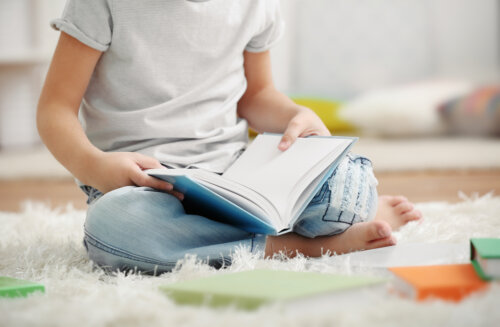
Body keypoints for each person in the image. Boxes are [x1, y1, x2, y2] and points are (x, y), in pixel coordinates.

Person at [37, 0, 421, 273]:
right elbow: (55, 108)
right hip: (144, 185)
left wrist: (295, 115)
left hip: (240, 176)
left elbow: (256, 97)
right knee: (115, 227)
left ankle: (239, 234)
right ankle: (299, 246)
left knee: (350, 186)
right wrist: (95, 166)